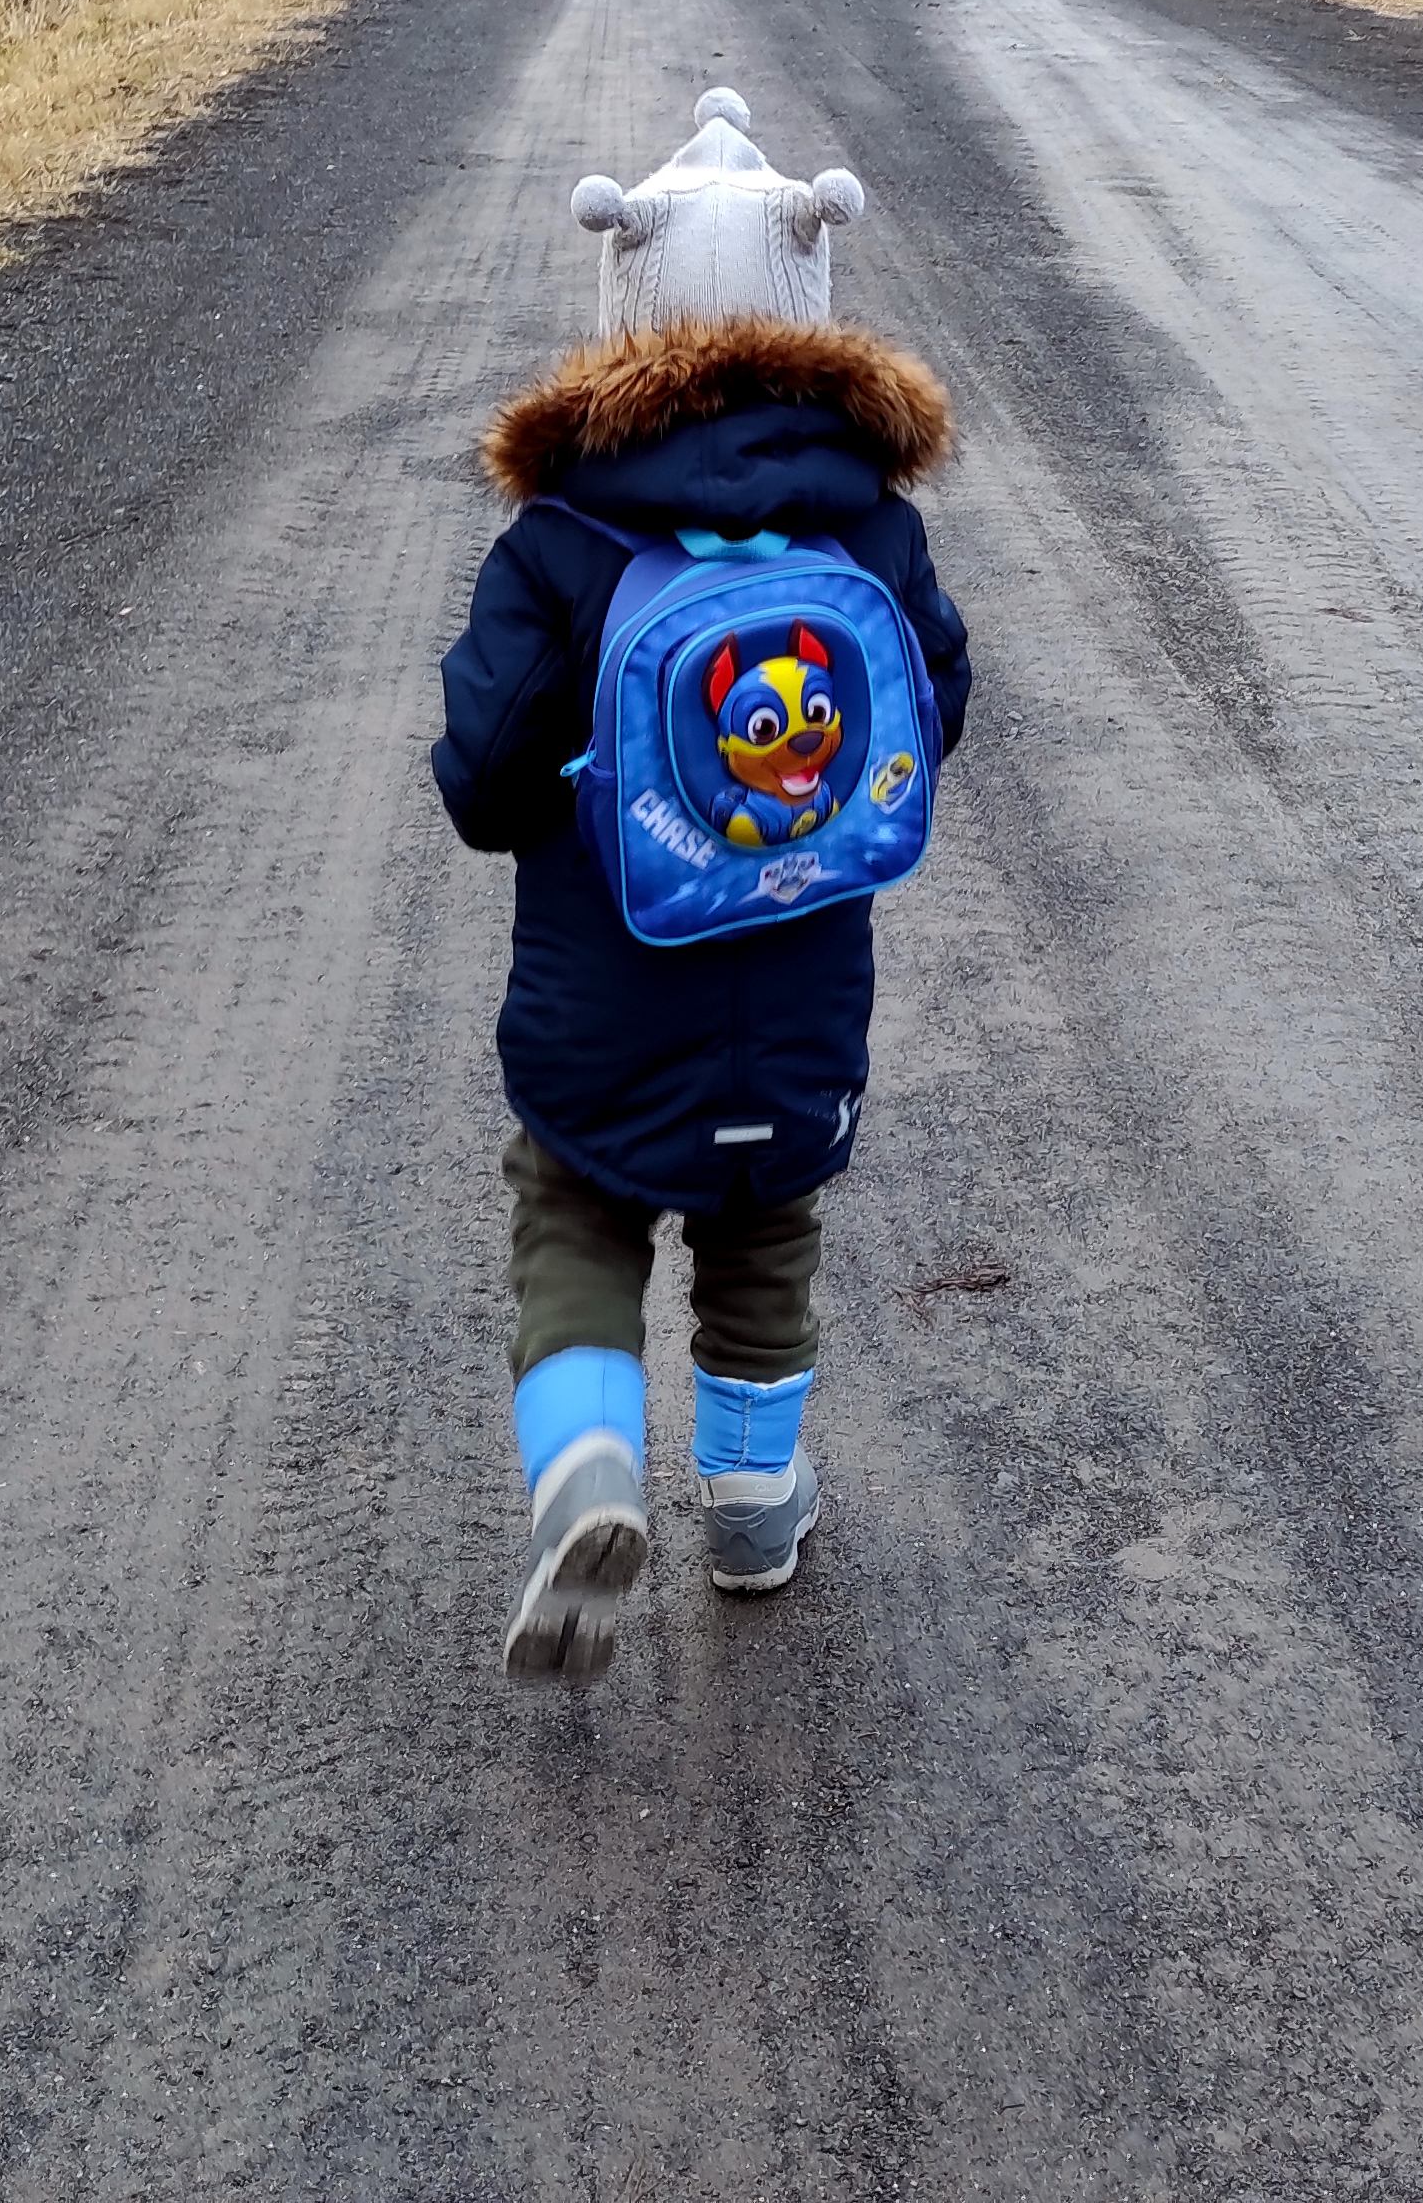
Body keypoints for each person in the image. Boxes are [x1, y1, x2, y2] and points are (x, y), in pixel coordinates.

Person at [429, 90, 973, 1681]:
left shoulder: (565, 538)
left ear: (624, 307)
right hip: (801, 987)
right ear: (813, 306)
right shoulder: (869, 525)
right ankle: (751, 1512)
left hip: (603, 990)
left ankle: (590, 1470)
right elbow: (937, 719)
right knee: (763, 1226)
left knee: (579, 1207)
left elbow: (482, 787)